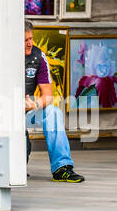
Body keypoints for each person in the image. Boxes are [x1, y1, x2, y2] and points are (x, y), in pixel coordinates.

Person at [24, 23, 83, 182]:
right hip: (4, 107)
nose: (30, 43)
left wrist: (33, 105)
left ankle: (61, 168)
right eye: (25, 40)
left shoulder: (38, 56)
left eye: (31, 39)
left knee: (53, 112)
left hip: (28, 107)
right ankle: (15, 164)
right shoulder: (3, 55)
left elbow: (48, 95)